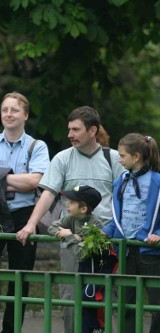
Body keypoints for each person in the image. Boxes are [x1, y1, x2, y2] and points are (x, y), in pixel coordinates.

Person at [16, 106, 124, 333]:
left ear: (92, 130)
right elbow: (48, 193)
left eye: (76, 129)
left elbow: (123, 198)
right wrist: (31, 223)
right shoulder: (63, 158)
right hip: (71, 240)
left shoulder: (113, 158)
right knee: (71, 295)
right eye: (69, 129)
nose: (70, 134)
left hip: (105, 239)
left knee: (106, 296)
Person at [0, 92, 50, 332]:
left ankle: (10, 330)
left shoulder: (37, 146)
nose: (8, 114)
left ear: (25, 115)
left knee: (20, 279)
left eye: (14, 110)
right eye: (5, 109)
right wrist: (18, 179)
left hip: (25, 215)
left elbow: (36, 181)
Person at [102, 133, 160, 332]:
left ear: (136, 157)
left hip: (150, 251)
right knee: (126, 306)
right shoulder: (121, 181)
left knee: (157, 305)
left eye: (122, 155)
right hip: (126, 251)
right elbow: (119, 217)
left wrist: (159, 233)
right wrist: (105, 231)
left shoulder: (157, 181)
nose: (119, 159)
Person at [48, 185, 115, 333]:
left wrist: (70, 236)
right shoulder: (70, 219)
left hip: (89, 280)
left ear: (83, 209)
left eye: (71, 202)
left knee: (87, 316)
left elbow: (82, 255)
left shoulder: (95, 226)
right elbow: (52, 227)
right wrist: (70, 234)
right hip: (73, 275)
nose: (67, 204)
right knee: (69, 310)